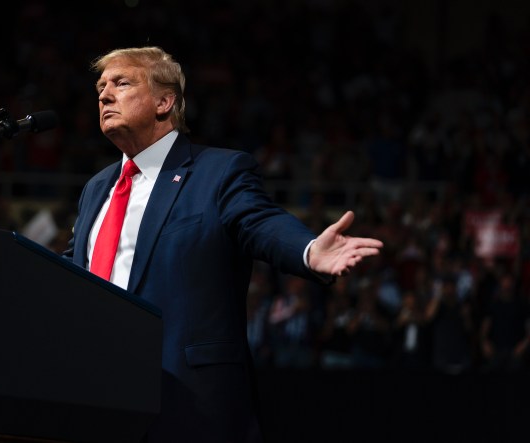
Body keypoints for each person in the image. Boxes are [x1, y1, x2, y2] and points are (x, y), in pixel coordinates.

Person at [62, 46, 384, 443]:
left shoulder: (218, 172)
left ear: (165, 101)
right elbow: (69, 273)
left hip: (186, 403)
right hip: (98, 397)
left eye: (121, 83)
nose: (104, 95)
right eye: (101, 87)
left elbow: (258, 221)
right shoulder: (97, 189)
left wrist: (307, 249)